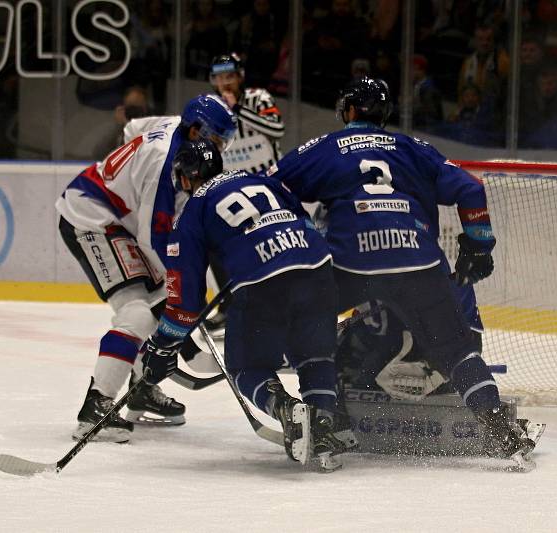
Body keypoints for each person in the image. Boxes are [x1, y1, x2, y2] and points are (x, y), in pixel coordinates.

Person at [266, 77, 537, 463]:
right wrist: (479, 245)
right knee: (458, 350)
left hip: (349, 263)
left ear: (350, 111)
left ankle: (327, 423)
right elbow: (472, 189)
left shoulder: (325, 148)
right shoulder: (413, 149)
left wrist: (300, 236)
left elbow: (271, 190)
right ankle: (499, 431)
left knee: (310, 331)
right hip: (418, 262)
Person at [140, 139, 351, 471]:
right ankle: (322, 426)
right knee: (315, 356)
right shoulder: (263, 181)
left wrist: (162, 345)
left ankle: (285, 409)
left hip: (264, 282)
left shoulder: (192, 211)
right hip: (318, 267)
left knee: (246, 367)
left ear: (186, 176)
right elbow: (300, 219)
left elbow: (186, 304)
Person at [56, 94, 237, 443]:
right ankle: (96, 406)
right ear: (196, 129)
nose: (220, 149)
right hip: (92, 218)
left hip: (118, 219)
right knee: (140, 313)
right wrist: (179, 291)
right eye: (215, 139)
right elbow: (152, 238)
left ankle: (140, 389)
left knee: (156, 306)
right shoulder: (161, 165)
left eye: (223, 142)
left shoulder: (177, 130)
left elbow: (132, 128)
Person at [209, 52, 285, 173]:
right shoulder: (211, 109)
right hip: (237, 184)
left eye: (230, 76)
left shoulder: (259, 97)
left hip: (272, 177)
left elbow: (277, 130)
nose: (225, 83)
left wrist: (237, 108)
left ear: (240, 77)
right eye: (220, 77)